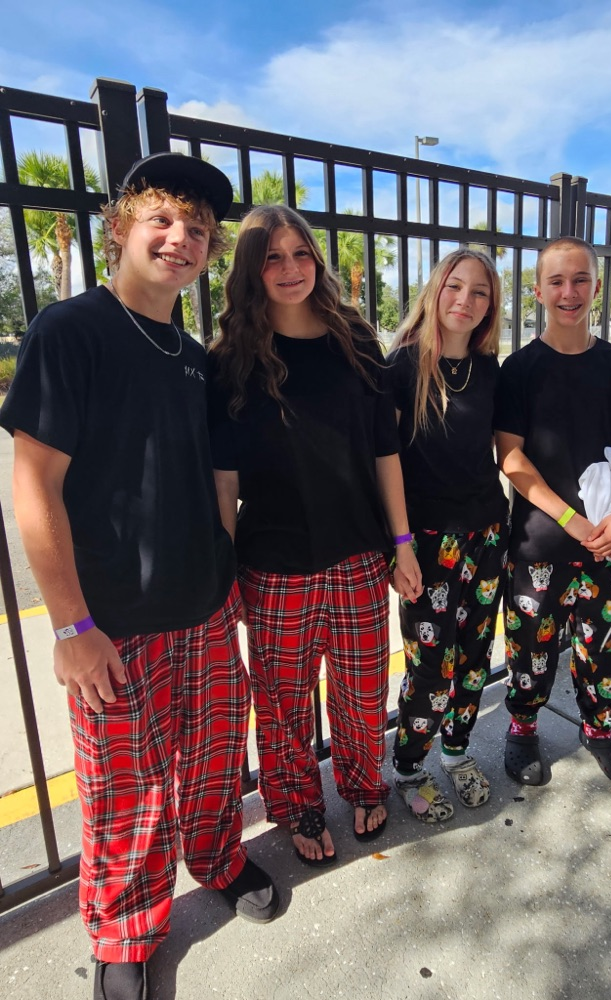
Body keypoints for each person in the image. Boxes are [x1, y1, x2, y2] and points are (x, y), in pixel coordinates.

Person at [0, 153, 279, 1000]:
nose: (181, 237)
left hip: (200, 609)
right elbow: (34, 485)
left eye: (197, 228)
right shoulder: (69, 329)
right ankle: (124, 931)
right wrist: (71, 627)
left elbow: (199, 479)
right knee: (125, 793)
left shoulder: (191, 354)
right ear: (120, 227)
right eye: (162, 218)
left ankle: (218, 858)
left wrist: (224, 577)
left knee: (210, 765)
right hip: (112, 626)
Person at [209, 204, 422, 866]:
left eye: (301, 254)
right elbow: (223, 479)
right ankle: (297, 804)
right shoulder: (231, 363)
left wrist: (403, 542)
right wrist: (224, 570)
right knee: (283, 708)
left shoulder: (356, 342)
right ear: (252, 270)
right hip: (273, 567)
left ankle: (364, 784)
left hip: (359, 556)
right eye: (272, 257)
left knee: (362, 694)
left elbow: (385, 450)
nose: (291, 268)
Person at [496, 236, 611, 787]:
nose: (569, 292)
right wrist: (571, 520)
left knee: (603, 647)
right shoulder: (519, 369)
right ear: (539, 290)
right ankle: (522, 730)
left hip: (608, 541)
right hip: (540, 543)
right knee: (530, 649)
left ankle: (600, 731)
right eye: (557, 281)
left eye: (580, 279)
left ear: (595, 284)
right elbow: (511, 457)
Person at [385, 248, 510, 822]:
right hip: (430, 544)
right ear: (435, 291)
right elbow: (380, 463)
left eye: (479, 292)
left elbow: (506, 453)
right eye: (454, 287)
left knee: (476, 655)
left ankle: (457, 751)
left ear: (491, 306)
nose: (465, 300)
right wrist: (400, 545)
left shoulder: (490, 369)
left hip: (488, 533)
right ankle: (410, 765)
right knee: (430, 664)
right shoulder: (402, 367)